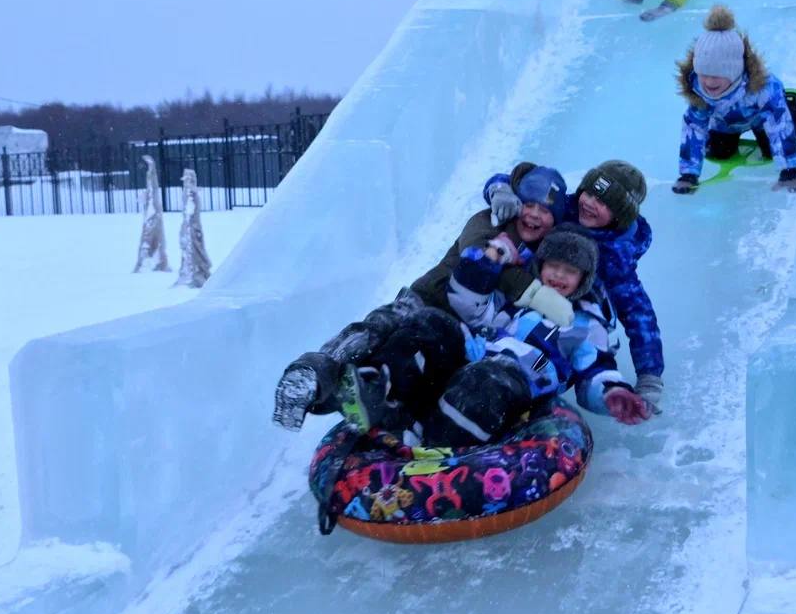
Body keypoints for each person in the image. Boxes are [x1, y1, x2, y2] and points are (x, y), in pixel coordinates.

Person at [272, 165, 569, 432]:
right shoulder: (487, 221)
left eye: (544, 211)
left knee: (412, 363)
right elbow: (476, 257)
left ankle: (373, 396)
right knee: (377, 329)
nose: (533, 214)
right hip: (425, 299)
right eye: (529, 204)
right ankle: (313, 375)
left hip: (462, 330)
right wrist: (533, 292)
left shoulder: (544, 260)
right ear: (517, 203)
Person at [320, 227, 650, 447]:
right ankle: (375, 391)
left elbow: (596, 370)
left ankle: (437, 442)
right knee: (431, 322)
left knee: (485, 379)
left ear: (583, 279)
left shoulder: (584, 325)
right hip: (475, 354)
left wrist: (612, 394)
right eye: (554, 266)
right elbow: (467, 303)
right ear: (541, 266)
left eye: (570, 271)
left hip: (519, 378)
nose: (559, 276)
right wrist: (490, 259)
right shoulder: (517, 301)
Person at [486, 160, 665, 414]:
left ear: (619, 215)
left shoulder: (617, 261)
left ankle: (532, 398)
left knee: (571, 343)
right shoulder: (564, 208)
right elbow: (525, 185)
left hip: (570, 325)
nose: (590, 203)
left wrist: (650, 376)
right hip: (525, 301)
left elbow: (640, 317)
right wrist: (500, 190)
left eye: (603, 202)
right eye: (589, 192)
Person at [671, 6, 796, 194]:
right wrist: (688, 175)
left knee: (772, 147)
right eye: (703, 74)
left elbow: (777, 122)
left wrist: (790, 170)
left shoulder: (762, 88)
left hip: (760, 119)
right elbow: (694, 127)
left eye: (717, 75)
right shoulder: (698, 90)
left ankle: (793, 108)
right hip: (725, 124)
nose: (709, 82)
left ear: (734, 70)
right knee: (719, 153)